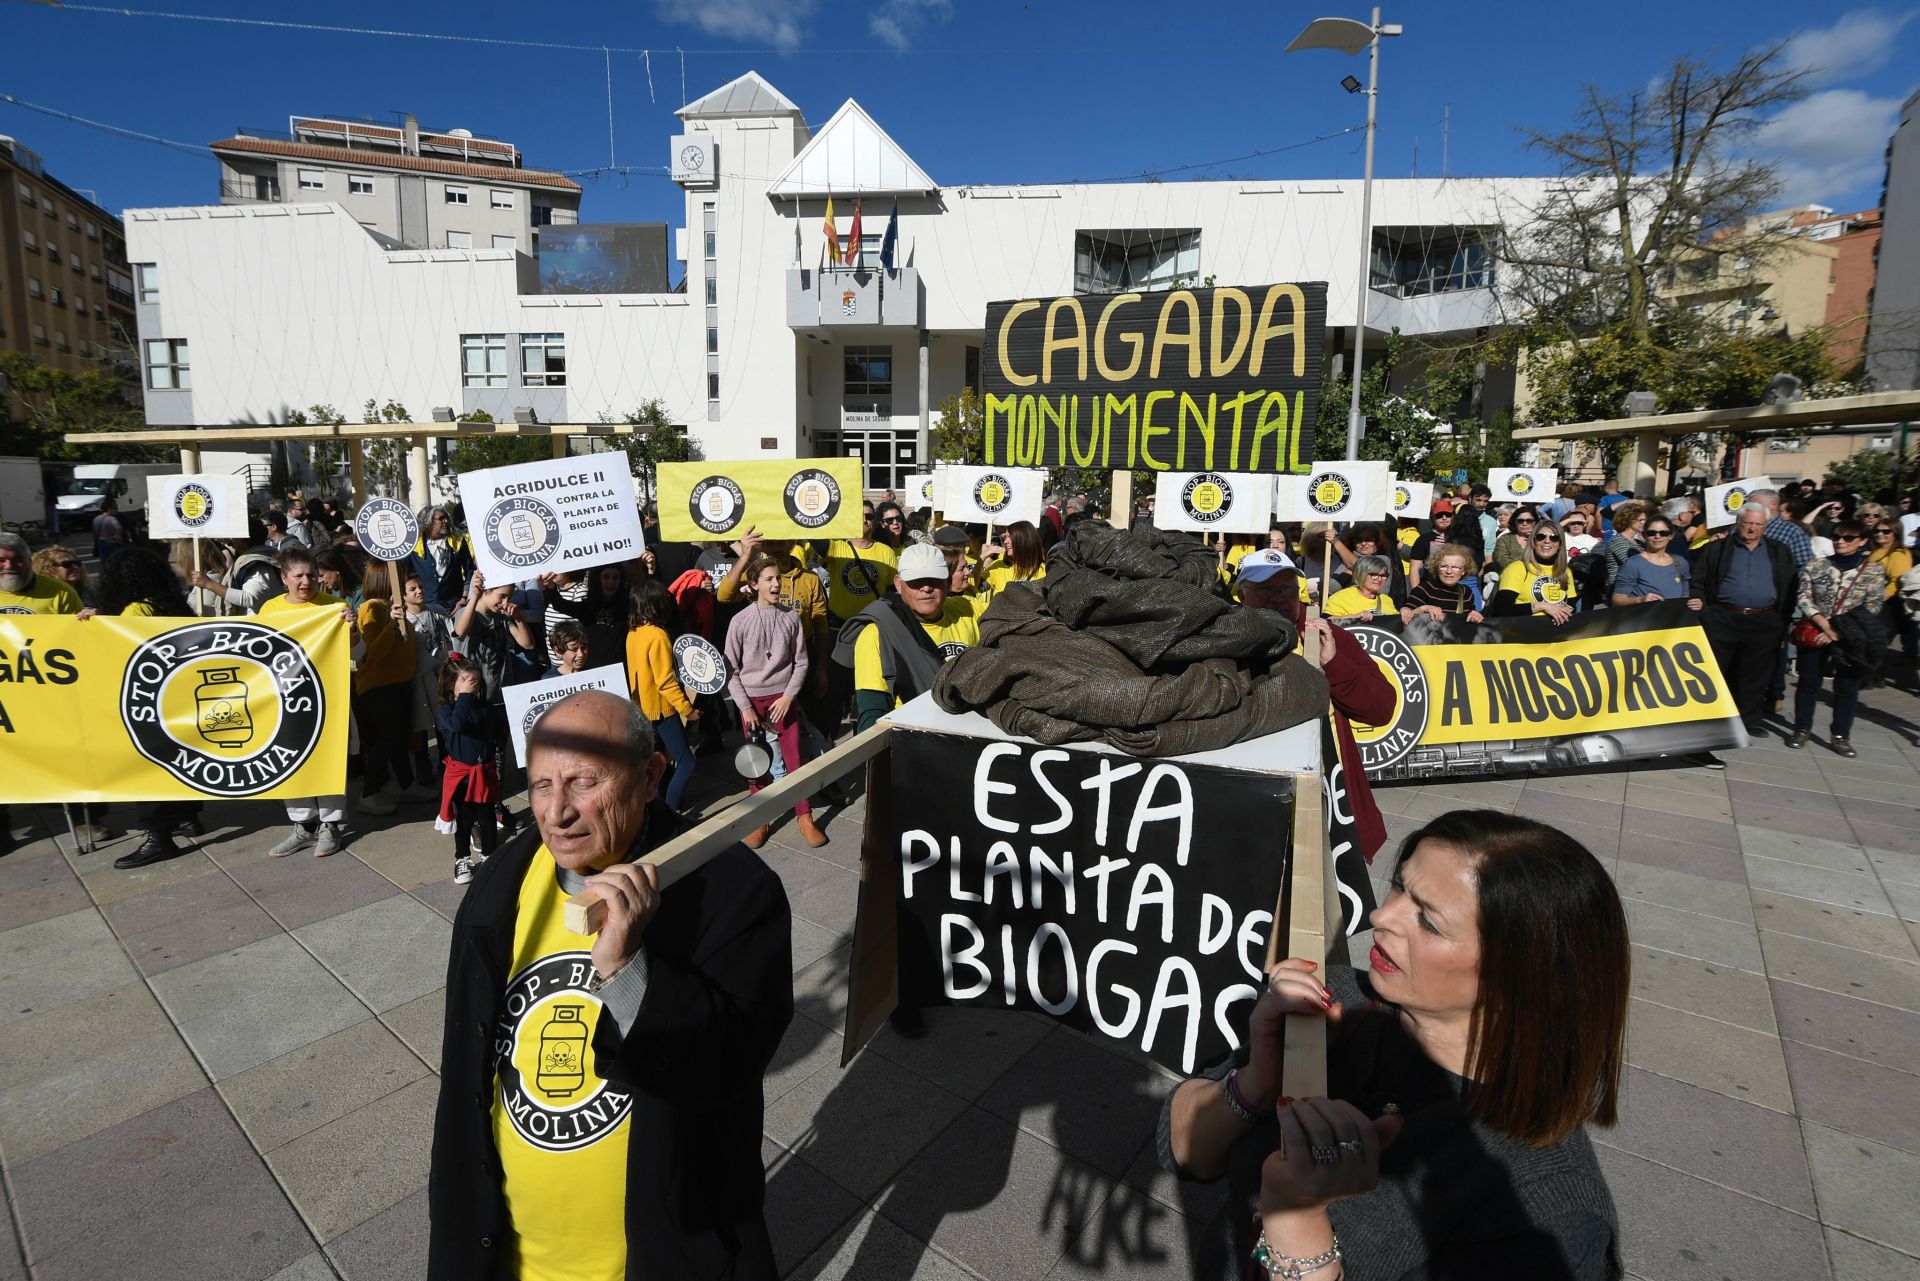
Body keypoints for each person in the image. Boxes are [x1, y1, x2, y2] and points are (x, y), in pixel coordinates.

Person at [1160, 810, 1627, 1281]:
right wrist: (1254, 1083)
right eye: (1399, 887)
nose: (1380, 916)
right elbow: (1181, 1151)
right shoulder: (1339, 1001)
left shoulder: (1548, 1208)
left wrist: (1298, 1220)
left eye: (1428, 920)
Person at [428, 690, 793, 1280]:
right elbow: (468, 1067)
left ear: (651, 777)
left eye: (584, 782)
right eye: (542, 785)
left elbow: (733, 1059)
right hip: (510, 1256)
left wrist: (627, 971)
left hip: (659, 1254)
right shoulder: (502, 880)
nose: (556, 812)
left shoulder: (730, 888)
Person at [87, 546, 206, 869]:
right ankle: (187, 817)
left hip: (148, 705)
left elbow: (120, 655)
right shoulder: (170, 605)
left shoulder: (134, 612)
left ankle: (159, 838)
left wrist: (94, 628)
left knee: (149, 770)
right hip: (177, 700)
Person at [261, 548, 357, 857]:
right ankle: (303, 826)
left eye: (311, 575)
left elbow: (358, 655)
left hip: (327, 697)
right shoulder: (269, 610)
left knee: (327, 759)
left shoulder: (336, 606)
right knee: (290, 760)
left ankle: (330, 825)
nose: (306, 582)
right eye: (299, 576)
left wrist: (352, 631)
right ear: (284, 578)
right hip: (286, 699)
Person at [725, 553, 824, 849]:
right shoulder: (739, 621)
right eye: (768, 579)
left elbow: (802, 662)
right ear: (754, 584)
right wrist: (744, 707)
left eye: (778, 578)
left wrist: (788, 696)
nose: (776, 584)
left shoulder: (791, 617)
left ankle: (804, 815)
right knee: (756, 763)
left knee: (795, 758)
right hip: (752, 703)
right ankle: (761, 817)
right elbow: (729, 667)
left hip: (783, 700)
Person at [840, 541, 982, 732]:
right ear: (898, 584)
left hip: (969, 735)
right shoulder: (877, 634)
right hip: (913, 741)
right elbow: (872, 713)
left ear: (947, 582)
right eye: (916, 581)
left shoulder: (967, 609)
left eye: (934, 579)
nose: (926, 588)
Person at [1688, 504, 1798, 737]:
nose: (1752, 528)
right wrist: (1702, 606)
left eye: (1758, 524)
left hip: (1764, 620)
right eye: (1748, 523)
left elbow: (1790, 584)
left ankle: (1749, 719)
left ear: (1765, 526)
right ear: (1739, 523)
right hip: (1723, 617)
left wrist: (1781, 619)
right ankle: (1716, 718)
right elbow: (1699, 579)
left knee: (1755, 673)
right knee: (1718, 670)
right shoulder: (1718, 548)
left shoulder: (1779, 551)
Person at [1787, 521, 1887, 758]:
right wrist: (1823, 623)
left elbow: (1873, 605)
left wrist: (1838, 632)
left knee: (1847, 687)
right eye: (1837, 536)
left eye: (1848, 537)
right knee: (1808, 682)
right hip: (1815, 631)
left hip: (1851, 636)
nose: (1840, 541)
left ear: (1862, 541)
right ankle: (1801, 728)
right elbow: (1803, 596)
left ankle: (1840, 735)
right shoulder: (1817, 565)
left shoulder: (1873, 570)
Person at [354, 560, 432, 815]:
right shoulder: (371, 609)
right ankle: (370, 793)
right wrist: (390, 625)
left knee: (399, 739)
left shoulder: (389, 607)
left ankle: (406, 785)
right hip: (380, 686)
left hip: (398, 684)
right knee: (387, 740)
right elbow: (373, 653)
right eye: (399, 578)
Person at [626, 578, 700, 815]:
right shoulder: (658, 635)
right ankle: (669, 813)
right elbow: (666, 681)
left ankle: (659, 807)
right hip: (662, 710)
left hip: (642, 709)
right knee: (687, 763)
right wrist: (688, 709)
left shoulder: (633, 633)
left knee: (660, 763)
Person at [434, 656, 502, 885]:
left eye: (474, 680)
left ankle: (490, 854)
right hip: (461, 775)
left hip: (483, 771)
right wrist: (463, 697)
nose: (471, 685)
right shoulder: (447, 710)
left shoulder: (484, 707)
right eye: (465, 680)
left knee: (486, 815)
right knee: (464, 818)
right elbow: (457, 725)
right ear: (451, 684)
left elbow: (492, 734)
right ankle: (462, 857)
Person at [1489, 520, 1575, 623]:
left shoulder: (1565, 571)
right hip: (1523, 633)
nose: (1547, 541)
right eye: (1541, 537)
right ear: (1533, 541)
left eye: (1554, 538)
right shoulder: (1517, 568)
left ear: (1560, 544)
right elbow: (1501, 610)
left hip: (1558, 634)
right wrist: (1542, 606)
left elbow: (1571, 606)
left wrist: (1566, 611)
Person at [1868, 518, 1916, 686]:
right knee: (1876, 639)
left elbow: (1898, 581)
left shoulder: (1898, 553)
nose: (1880, 534)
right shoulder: (1879, 551)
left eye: (1886, 531)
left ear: (1895, 533)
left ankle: (1873, 676)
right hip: (1879, 602)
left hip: (1891, 605)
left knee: (1877, 638)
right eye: (1877, 531)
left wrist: (1878, 600)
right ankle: (1874, 675)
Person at [1610, 516, 1695, 608]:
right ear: (1644, 535)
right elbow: (1617, 599)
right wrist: (1640, 599)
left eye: (1664, 533)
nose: (1657, 536)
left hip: (1675, 619)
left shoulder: (1680, 562)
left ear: (1671, 535)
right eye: (1651, 533)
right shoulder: (1633, 564)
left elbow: (1685, 596)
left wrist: (1693, 603)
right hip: (1644, 619)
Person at [409, 505, 474, 612]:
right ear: (428, 522)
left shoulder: (457, 542)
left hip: (455, 605)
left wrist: (464, 598)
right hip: (427, 607)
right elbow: (406, 577)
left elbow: (470, 572)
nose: (445, 521)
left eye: (446, 518)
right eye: (440, 519)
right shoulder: (414, 547)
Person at [1400, 544, 1485, 623]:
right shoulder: (1424, 589)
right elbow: (1406, 614)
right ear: (1436, 568)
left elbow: (1469, 618)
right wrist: (1423, 609)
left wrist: (1475, 616)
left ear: (1464, 571)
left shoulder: (1466, 592)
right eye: (1443, 566)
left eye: (1455, 567)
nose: (1449, 571)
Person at [0, 532, 81, 614]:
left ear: (30, 561)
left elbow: (79, 626)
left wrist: (90, 619)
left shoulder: (61, 592)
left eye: (18, 560)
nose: (9, 566)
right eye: (1, 560)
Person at [979, 519, 1048, 600]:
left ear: (1024, 540)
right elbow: (975, 587)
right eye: (1005, 537)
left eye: (1010, 537)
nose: (1005, 541)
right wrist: (982, 558)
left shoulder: (1046, 571)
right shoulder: (1000, 566)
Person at [1324, 554, 1394, 620]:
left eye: (1383, 576)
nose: (1379, 579)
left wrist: (1403, 612)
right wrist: (1355, 616)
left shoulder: (1387, 600)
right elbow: (1327, 621)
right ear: (1361, 574)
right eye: (1374, 575)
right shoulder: (1341, 597)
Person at [1600, 500, 1649, 592]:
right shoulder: (1617, 541)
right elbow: (1633, 563)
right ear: (1629, 520)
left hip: (1635, 587)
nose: (1644, 523)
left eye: (1645, 520)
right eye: (1641, 520)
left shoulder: (1638, 542)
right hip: (1619, 589)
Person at [1490, 507, 1535, 572]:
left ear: (1535, 522)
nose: (1524, 524)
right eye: (1520, 521)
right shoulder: (1505, 539)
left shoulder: (1541, 538)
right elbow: (1501, 561)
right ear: (1514, 521)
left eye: (1529, 521)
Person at [92, 497, 128, 563]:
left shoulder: (96, 519)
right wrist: (118, 535)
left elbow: (96, 532)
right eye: (115, 508)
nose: (117, 510)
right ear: (109, 509)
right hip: (112, 543)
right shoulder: (112, 519)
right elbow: (118, 527)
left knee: (104, 561)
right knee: (115, 561)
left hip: (101, 543)